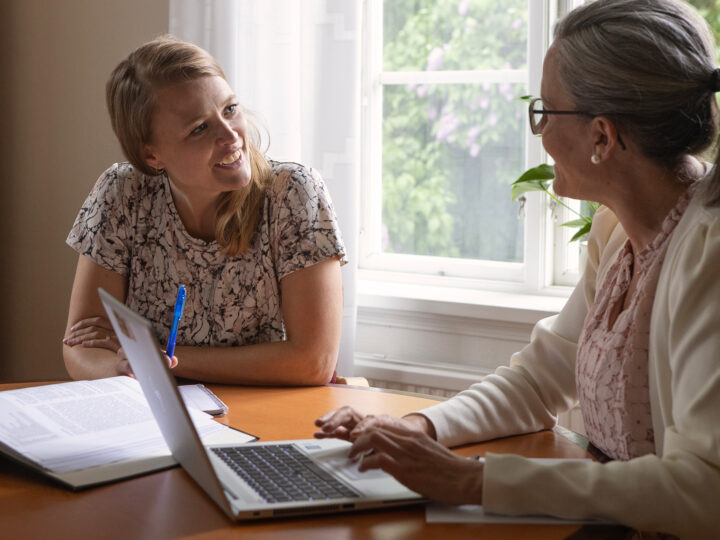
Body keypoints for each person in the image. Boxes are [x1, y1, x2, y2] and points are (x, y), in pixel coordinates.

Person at [314, 0, 720, 537]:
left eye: (546, 112)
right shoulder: (616, 231)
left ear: (602, 136)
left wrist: (471, 481)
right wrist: (415, 427)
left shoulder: (708, 254)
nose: (541, 133)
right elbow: (538, 379)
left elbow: (704, 488)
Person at [62, 36, 346, 385]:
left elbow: (313, 361)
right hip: (155, 418)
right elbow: (81, 344)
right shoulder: (122, 194)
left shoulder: (293, 193)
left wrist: (160, 359)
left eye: (230, 109)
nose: (232, 136)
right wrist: (121, 369)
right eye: (199, 128)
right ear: (152, 155)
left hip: (270, 417)